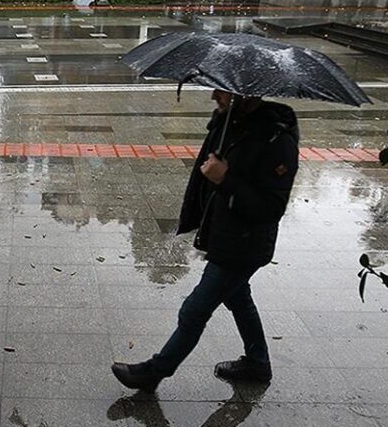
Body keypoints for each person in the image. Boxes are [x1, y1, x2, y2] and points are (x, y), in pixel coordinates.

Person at [111, 89, 300, 390]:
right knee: (239, 298)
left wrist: (226, 179)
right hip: (225, 235)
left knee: (195, 309)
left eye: (222, 91)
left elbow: (271, 208)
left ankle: (154, 372)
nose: (214, 95)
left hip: (245, 244)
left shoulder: (277, 140)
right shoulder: (231, 125)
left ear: (245, 93)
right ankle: (258, 363)